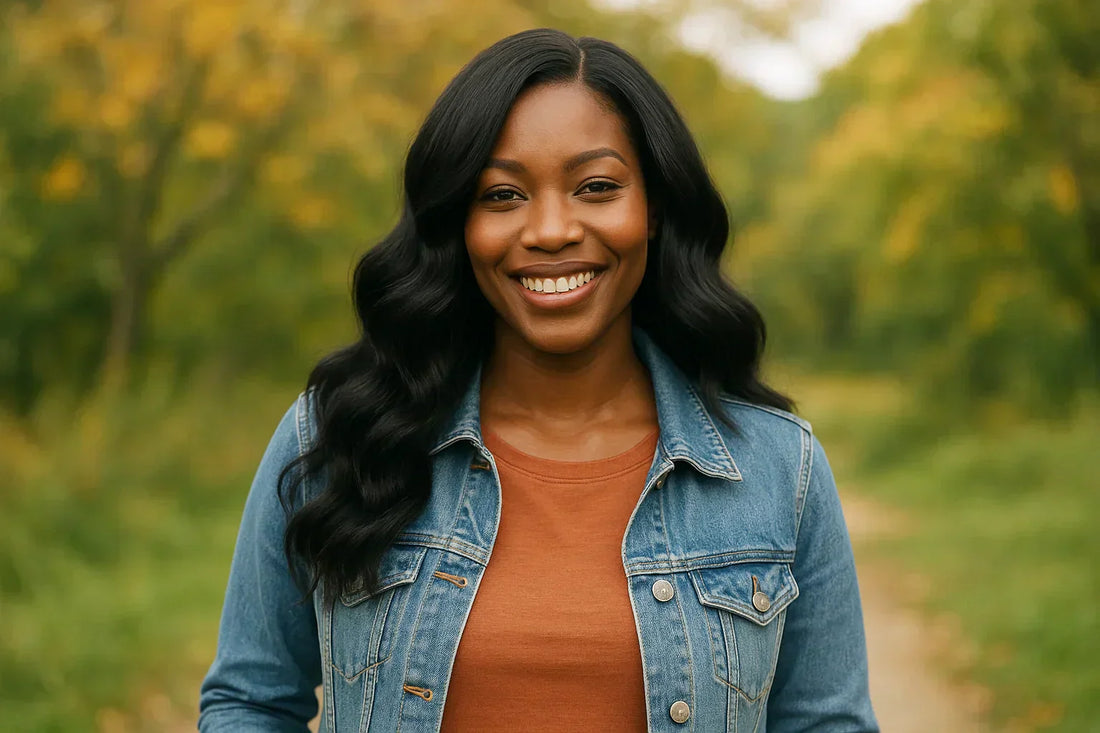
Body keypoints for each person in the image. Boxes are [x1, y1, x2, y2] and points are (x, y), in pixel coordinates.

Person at [198, 28, 878, 732]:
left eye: (597, 187)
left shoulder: (776, 467)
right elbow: (251, 702)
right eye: (502, 195)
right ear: (457, 224)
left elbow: (828, 721)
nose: (551, 229)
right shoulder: (341, 433)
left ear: (655, 211)